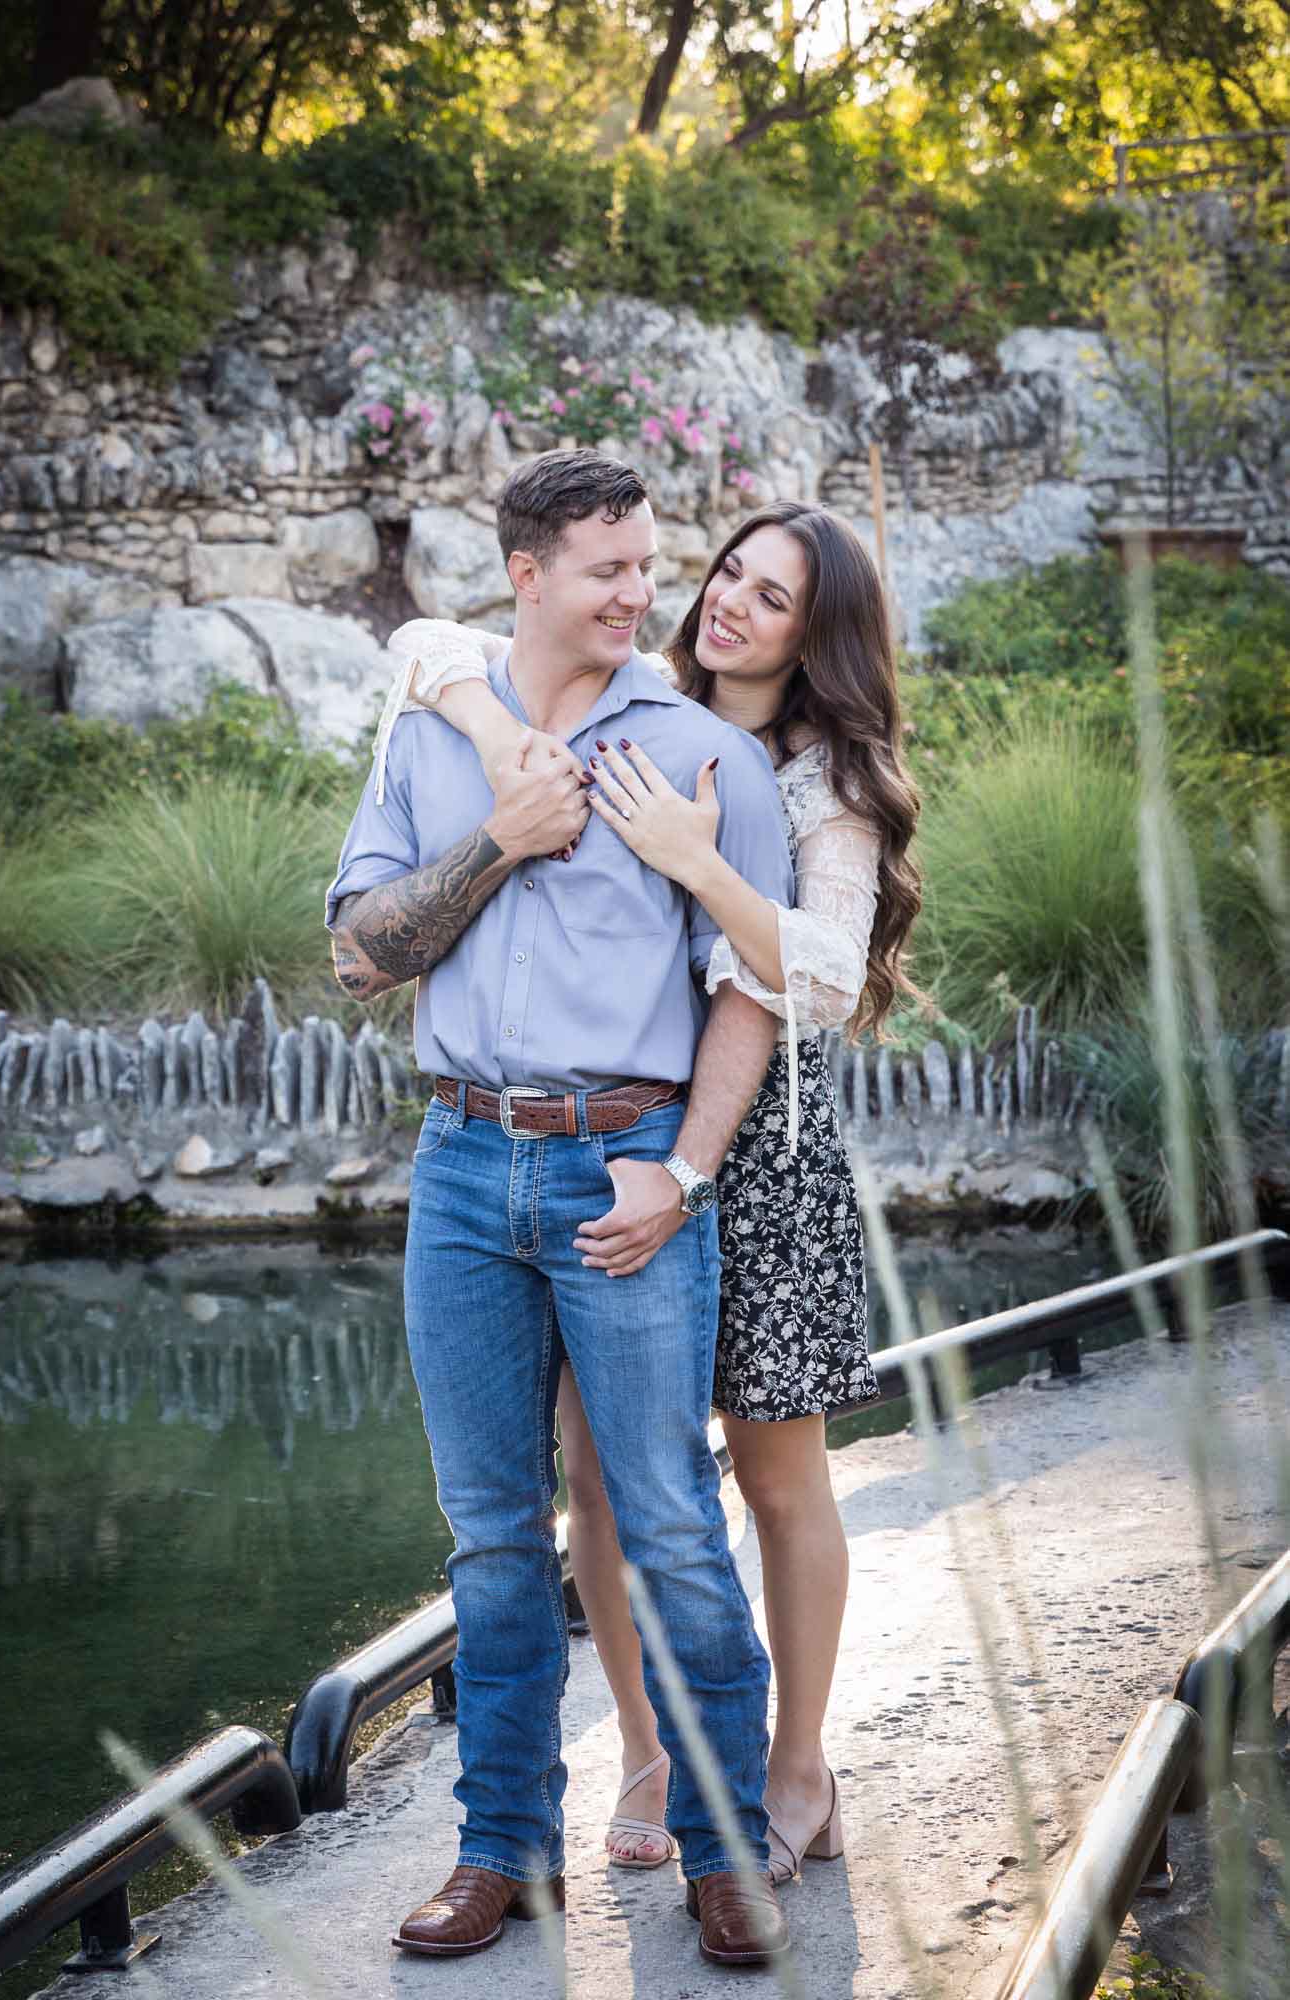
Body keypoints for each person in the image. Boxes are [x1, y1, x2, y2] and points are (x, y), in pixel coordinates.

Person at [381, 498, 922, 1888]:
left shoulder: (821, 781)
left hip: (755, 1153)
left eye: (773, 596)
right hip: (606, 1136)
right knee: (594, 1483)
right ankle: (644, 1745)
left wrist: (695, 866)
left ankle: (796, 1764)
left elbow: (819, 978)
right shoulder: (647, 707)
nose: (729, 602)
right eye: (727, 572)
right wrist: (502, 738)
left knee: (768, 1473)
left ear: (820, 636)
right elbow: (430, 639)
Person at [327, 451, 799, 1968]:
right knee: (488, 1542)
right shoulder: (429, 732)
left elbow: (759, 989)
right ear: (523, 573)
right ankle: (502, 1852)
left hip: (627, 1168)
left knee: (667, 1520)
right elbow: (357, 952)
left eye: (647, 564)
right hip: (461, 1168)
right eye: (607, 569)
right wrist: (500, 839)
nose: (642, 593)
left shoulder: (696, 754)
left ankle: (726, 1855)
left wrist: (687, 1171)